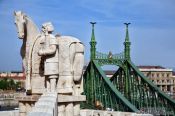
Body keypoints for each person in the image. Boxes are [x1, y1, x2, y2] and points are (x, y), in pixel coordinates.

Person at [38, 22, 59, 92]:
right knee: (47, 76)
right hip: (47, 62)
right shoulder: (46, 38)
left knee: (52, 77)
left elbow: (53, 50)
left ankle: (52, 91)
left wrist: (42, 52)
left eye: (44, 28)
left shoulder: (52, 37)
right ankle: (48, 90)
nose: (43, 30)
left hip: (52, 61)